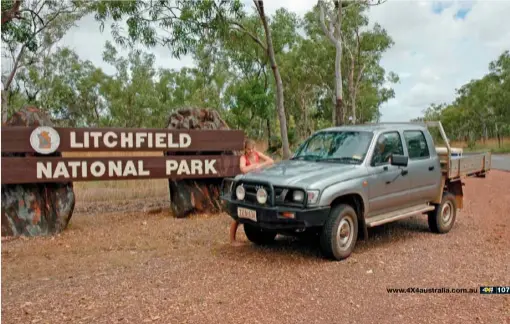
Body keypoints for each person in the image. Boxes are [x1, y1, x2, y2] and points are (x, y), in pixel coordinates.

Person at [230, 139, 274, 246]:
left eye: (252, 149)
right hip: (246, 187)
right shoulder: (243, 158)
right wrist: (254, 166)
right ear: (245, 149)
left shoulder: (257, 154)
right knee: (239, 213)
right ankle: (232, 240)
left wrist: (260, 165)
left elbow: (271, 161)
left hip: (259, 186)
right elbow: (243, 169)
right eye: (248, 149)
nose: (250, 151)